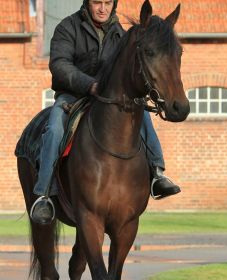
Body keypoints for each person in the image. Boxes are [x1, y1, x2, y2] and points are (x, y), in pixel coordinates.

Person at [31, 0, 180, 224]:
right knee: (54, 129)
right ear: (87, 3)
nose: (102, 8)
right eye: (97, 2)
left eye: (108, 3)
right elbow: (60, 65)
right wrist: (89, 84)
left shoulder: (120, 34)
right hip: (73, 96)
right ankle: (44, 195)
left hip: (109, 100)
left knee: (143, 117)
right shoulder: (67, 27)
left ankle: (157, 174)